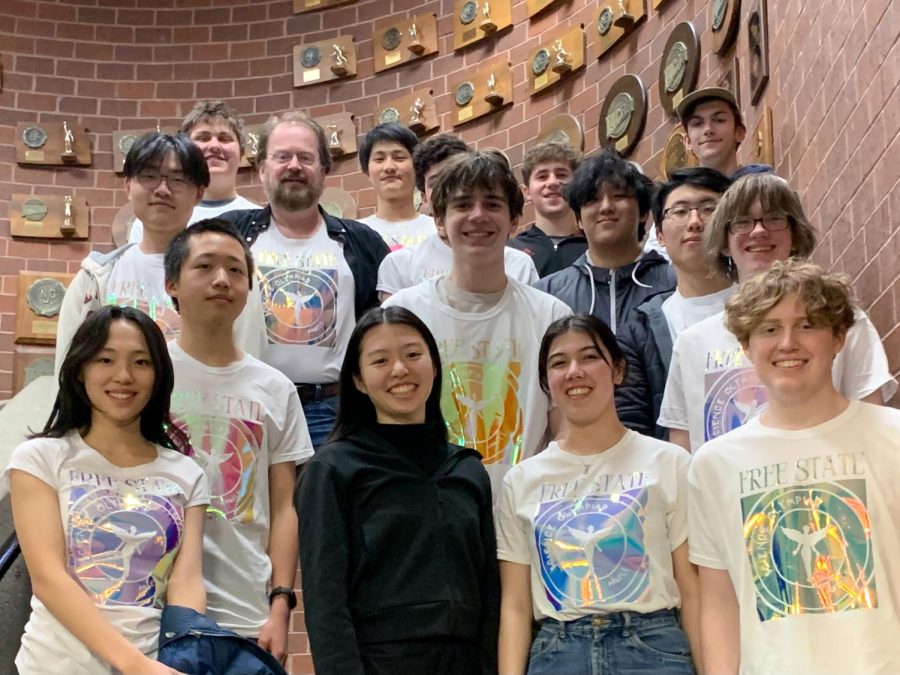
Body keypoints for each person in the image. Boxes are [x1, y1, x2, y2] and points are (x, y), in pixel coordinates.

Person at [688, 259, 900, 673]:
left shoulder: (893, 436)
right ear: (746, 346)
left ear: (838, 337)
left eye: (807, 325)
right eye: (769, 329)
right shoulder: (714, 464)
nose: (788, 342)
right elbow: (718, 602)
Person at [2, 306, 208, 674]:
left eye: (141, 362)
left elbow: (186, 580)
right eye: (105, 359)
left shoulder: (186, 473)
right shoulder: (40, 459)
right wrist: (133, 665)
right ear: (81, 369)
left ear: (158, 374)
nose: (124, 376)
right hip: (55, 665)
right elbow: (49, 579)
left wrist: (183, 657)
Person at [296, 306, 499, 674]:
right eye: (380, 361)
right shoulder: (333, 469)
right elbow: (326, 602)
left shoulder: (467, 469)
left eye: (412, 354)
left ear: (434, 366)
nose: (400, 370)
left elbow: (490, 595)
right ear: (358, 380)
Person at [496, 315, 698, 674]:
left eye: (589, 357)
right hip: (558, 651)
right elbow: (515, 605)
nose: (575, 371)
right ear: (546, 382)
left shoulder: (669, 462)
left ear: (617, 370)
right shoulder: (521, 480)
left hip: (653, 648)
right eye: (559, 363)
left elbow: (693, 591)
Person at [163, 219, 313, 664]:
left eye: (235, 270)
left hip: (245, 611)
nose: (222, 280)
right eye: (204, 266)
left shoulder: (275, 388)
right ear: (172, 283)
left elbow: (284, 506)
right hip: (154, 608)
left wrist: (280, 604)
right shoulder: (148, 374)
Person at [659, 173, 896, 451]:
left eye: (774, 218)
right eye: (742, 222)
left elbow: (873, 422)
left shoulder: (842, 319)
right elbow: (684, 449)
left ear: (795, 234)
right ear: (724, 241)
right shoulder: (692, 343)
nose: (758, 231)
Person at [383, 151, 571, 491]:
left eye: (493, 204)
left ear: (515, 221)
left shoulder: (552, 317)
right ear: (439, 221)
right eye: (463, 204)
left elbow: (566, 430)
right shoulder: (402, 315)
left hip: (522, 512)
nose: (478, 216)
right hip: (431, 511)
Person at [219, 111, 390, 449]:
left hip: (333, 412)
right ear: (262, 169)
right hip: (246, 402)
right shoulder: (230, 234)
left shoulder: (362, 243)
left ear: (324, 170)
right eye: (282, 157)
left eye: (306, 157)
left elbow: (385, 328)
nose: (294, 166)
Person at [55, 132, 266, 376]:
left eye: (178, 179)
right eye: (149, 176)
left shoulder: (230, 279)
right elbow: (67, 373)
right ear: (128, 186)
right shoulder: (95, 279)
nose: (163, 189)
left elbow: (249, 370)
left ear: (199, 193)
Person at [616, 168, 734, 438]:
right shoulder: (639, 330)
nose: (695, 222)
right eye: (680, 212)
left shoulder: (764, 305)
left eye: (708, 209)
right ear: (659, 235)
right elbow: (634, 428)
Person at [377, 134, 538, 300]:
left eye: (456, 179)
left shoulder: (520, 265)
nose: (446, 190)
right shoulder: (400, 264)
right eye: (436, 182)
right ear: (424, 198)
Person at [534, 150, 675, 335]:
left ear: (643, 213)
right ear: (579, 220)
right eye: (593, 200)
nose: (606, 207)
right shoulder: (547, 293)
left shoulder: (674, 282)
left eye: (618, 196)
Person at [129, 100, 259, 243]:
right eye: (203, 138)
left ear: (241, 153)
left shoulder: (261, 222)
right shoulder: (152, 221)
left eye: (224, 138)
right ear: (185, 152)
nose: (215, 146)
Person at [507, 142, 587, 277]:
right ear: (527, 192)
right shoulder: (512, 250)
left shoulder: (595, 248)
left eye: (561, 175)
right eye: (542, 176)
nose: (552, 183)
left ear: (577, 186)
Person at [358, 122, 434, 250]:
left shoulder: (438, 231)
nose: (389, 167)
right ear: (367, 172)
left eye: (399, 157)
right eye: (379, 159)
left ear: (416, 166)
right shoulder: (354, 235)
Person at [676, 87, 770, 180]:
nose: (708, 130)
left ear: (739, 133)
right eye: (697, 123)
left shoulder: (765, 188)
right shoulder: (679, 194)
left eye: (719, 120)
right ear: (688, 141)